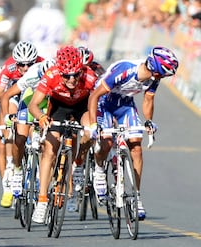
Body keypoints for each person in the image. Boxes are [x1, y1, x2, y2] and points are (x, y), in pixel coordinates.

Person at [88, 46, 179, 220]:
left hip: (124, 104)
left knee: (136, 145)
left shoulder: (153, 78)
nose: (162, 78)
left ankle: (137, 197)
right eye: (163, 74)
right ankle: (99, 170)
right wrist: (93, 125)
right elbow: (94, 97)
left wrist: (149, 121)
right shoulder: (125, 71)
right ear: (156, 70)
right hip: (103, 103)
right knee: (106, 142)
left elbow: (148, 99)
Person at [29, 45, 98, 223]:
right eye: (67, 76)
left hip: (82, 106)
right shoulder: (51, 75)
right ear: (60, 71)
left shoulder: (90, 76)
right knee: (50, 151)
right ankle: (42, 201)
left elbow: (99, 102)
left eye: (76, 74)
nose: (72, 79)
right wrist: (42, 117)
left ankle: (78, 163)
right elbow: (34, 105)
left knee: (91, 132)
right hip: (58, 107)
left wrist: (95, 124)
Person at [0, 40, 43, 208]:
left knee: (37, 134)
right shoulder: (8, 69)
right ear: (15, 63)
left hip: (34, 96)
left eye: (29, 65)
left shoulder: (42, 64)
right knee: (12, 134)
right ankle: (14, 166)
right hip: (15, 95)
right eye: (22, 65)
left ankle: (38, 168)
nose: (26, 69)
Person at [0, 59, 55, 197]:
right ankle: (17, 170)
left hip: (49, 103)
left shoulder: (58, 78)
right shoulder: (31, 75)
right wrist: (7, 116)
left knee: (48, 144)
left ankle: (43, 178)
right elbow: (6, 95)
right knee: (20, 139)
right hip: (30, 100)